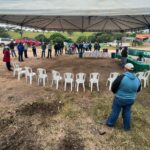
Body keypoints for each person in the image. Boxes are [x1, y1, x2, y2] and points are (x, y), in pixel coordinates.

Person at [105, 63, 141, 131]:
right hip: (131, 99)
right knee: (127, 112)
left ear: (125, 69)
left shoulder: (121, 77)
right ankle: (127, 128)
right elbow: (138, 89)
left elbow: (113, 87)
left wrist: (117, 93)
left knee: (115, 111)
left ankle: (110, 123)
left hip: (119, 98)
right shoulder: (137, 79)